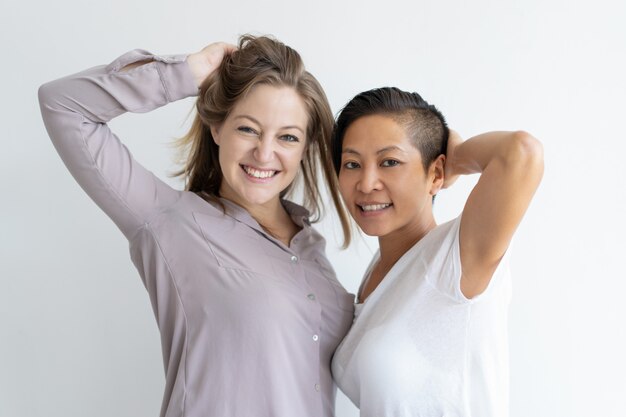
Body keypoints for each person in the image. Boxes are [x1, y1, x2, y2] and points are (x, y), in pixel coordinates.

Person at [38, 35, 354, 417]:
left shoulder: (313, 248)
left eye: (287, 136)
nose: (265, 153)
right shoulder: (169, 220)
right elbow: (62, 105)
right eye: (248, 129)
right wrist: (186, 73)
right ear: (217, 128)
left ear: (303, 148)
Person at [330, 87, 544, 417]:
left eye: (390, 161)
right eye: (352, 163)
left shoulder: (455, 259)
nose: (367, 182)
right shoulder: (379, 270)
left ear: (436, 173)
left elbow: (522, 152)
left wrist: (454, 159)